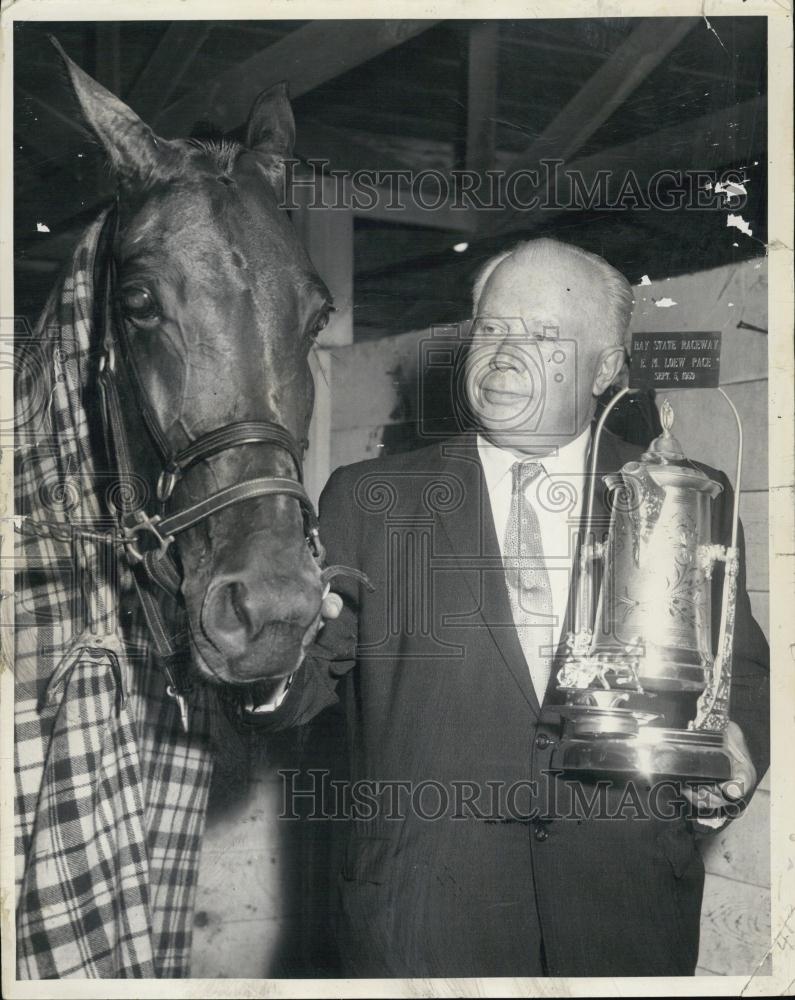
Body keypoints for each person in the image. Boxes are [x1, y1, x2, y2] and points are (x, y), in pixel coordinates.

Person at [238, 238, 769, 977]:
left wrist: (731, 762)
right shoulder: (369, 498)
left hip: (623, 915)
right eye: (491, 329)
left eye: (544, 335)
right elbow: (304, 689)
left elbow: (736, 674)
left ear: (607, 366)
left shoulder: (686, 494)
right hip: (422, 918)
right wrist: (266, 655)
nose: (505, 353)